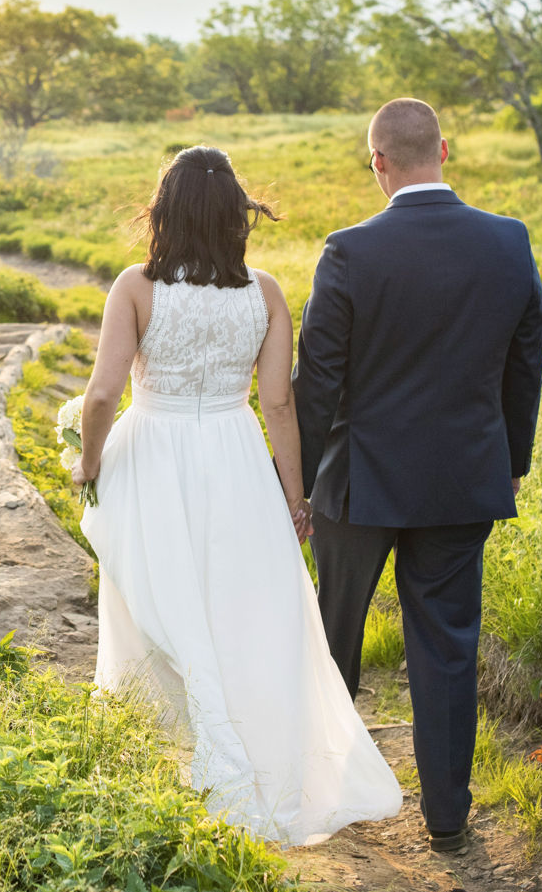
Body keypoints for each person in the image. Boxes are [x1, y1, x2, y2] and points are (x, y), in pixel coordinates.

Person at [71, 145, 401, 845]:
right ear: (234, 216)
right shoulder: (266, 292)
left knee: (155, 604)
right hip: (235, 455)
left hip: (151, 455)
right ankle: (246, 754)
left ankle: (180, 755)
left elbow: (102, 392)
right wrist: (295, 497)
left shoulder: (136, 285)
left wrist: (89, 464)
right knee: (240, 610)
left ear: (164, 212)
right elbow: (279, 404)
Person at [293, 97, 542, 854]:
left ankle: (330, 794)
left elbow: (318, 383)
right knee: (445, 648)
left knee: (333, 635)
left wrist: (295, 484)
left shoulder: (348, 251)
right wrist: (511, 465)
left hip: (357, 484)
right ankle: (447, 818)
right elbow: (524, 360)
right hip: (462, 479)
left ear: (379, 162)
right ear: (445, 149)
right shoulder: (509, 242)